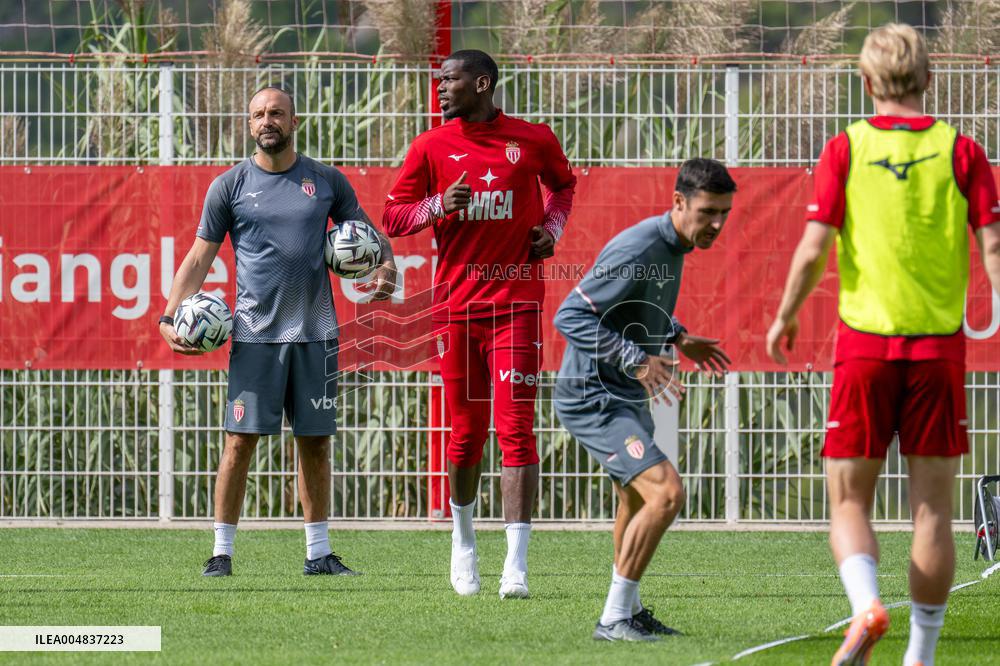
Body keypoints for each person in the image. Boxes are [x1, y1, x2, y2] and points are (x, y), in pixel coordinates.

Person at [766, 24, 1000, 666]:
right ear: (928, 78)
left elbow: (814, 248)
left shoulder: (846, 149)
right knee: (932, 511)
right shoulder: (963, 152)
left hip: (865, 350)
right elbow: (995, 246)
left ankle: (867, 606)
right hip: (938, 354)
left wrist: (784, 315)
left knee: (847, 499)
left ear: (866, 83)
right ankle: (919, 655)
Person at [159, 85, 398, 577]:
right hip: (254, 336)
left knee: (315, 443)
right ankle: (221, 553)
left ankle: (319, 555)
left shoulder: (326, 180)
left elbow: (370, 238)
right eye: (259, 114)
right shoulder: (228, 186)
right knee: (239, 442)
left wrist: (388, 268)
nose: (267, 120)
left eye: (277, 113)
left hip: (317, 334)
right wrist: (168, 318)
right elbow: (199, 257)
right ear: (250, 125)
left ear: (294, 121)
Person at [382, 49, 576, 598]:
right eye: (440, 81)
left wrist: (551, 230)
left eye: (451, 80)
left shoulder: (533, 139)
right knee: (466, 435)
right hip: (455, 310)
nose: (441, 89)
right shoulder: (430, 146)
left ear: (482, 83)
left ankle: (516, 563)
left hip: (516, 305)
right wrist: (439, 205)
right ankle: (463, 543)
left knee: (516, 429)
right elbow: (394, 217)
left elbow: (563, 187)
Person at [554, 158, 735, 641]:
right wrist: (637, 360)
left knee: (635, 501)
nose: (716, 224)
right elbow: (570, 315)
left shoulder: (673, 246)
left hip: (622, 394)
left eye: (724, 213)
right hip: (593, 396)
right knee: (666, 493)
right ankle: (613, 618)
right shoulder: (642, 245)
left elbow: (632, 307)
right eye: (707, 212)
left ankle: (628, 611)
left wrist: (676, 336)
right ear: (679, 202)